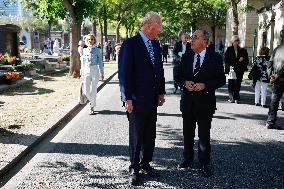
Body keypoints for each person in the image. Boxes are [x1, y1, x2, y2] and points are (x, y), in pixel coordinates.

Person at [118, 11, 165, 186]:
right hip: (136, 100)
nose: (159, 31)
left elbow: (158, 71)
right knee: (137, 136)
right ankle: (134, 168)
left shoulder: (155, 45)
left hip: (152, 99)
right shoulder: (130, 44)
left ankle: (146, 164)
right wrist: (126, 98)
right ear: (148, 26)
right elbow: (124, 74)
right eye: (158, 27)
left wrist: (161, 92)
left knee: (150, 134)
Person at [176, 29, 226, 177]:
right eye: (192, 37)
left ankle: (204, 162)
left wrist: (205, 85)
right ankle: (187, 158)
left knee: (204, 134)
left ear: (205, 42)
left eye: (195, 37)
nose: (192, 39)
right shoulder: (186, 56)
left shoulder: (215, 57)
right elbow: (177, 75)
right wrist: (185, 82)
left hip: (205, 102)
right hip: (188, 102)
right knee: (187, 132)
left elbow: (221, 79)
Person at [80, 34, 104, 115]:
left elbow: (100, 62)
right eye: (89, 39)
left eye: (92, 39)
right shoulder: (84, 50)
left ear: (94, 40)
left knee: (93, 90)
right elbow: (82, 63)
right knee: (86, 91)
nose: (90, 41)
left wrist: (102, 73)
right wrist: (82, 73)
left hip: (94, 70)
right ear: (87, 41)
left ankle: (92, 107)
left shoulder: (97, 50)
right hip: (86, 70)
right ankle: (92, 101)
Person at [265, 29, 284, 130]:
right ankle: (270, 121)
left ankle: (270, 121)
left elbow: (270, 63)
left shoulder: (277, 49)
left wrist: (271, 75)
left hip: (276, 78)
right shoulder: (277, 49)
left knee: (274, 100)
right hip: (280, 77)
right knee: (275, 100)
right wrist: (277, 75)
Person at [224, 35, 249, 104]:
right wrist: (230, 66)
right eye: (235, 41)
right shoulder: (229, 49)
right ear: (232, 41)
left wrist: (242, 60)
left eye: (237, 40)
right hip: (231, 69)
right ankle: (231, 97)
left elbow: (246, 60)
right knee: (231, 83)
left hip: (239, 70)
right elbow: (226, 60)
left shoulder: (242, 50)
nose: (236, 42)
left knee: (237, 84)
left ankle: (236, 97)